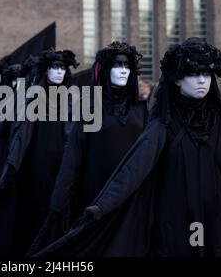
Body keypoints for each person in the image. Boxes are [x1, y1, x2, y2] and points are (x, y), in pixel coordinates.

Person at [37, 37, 221, 257]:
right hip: (175, 221)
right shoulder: (163, 125)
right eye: (193, 73)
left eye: (206, 73)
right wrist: (101, 207)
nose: (201, 80)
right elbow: (133, 169)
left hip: (219, 220)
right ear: (177, 79)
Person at [0, 49, 80, 257]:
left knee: (61, 212)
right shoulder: (31, 97)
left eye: (62, 68)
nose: (59, 72)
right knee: (36, 212)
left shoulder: (74, 99)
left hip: (64, 164)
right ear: (45, 70)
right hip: (36, 165)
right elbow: (15, 133)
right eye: (54, 67)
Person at [28, 41, 148, 255]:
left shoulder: (141, 109)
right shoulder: (90, 105)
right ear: (105, 69)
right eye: (117, 65)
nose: (123, 70)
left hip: (133, 196)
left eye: (127, 65)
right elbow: (73, 155)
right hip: (96, 195)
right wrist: (59, 200)